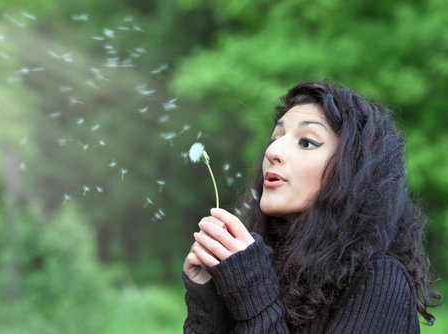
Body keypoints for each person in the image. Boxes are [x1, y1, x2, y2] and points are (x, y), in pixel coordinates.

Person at [182, 80, 441, 333]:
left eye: (306, 142)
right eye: (276, 137)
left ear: (352, 172)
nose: (272, 151)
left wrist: (252, 290)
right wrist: (208, 304)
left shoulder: (379, 281)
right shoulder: (264, 265)